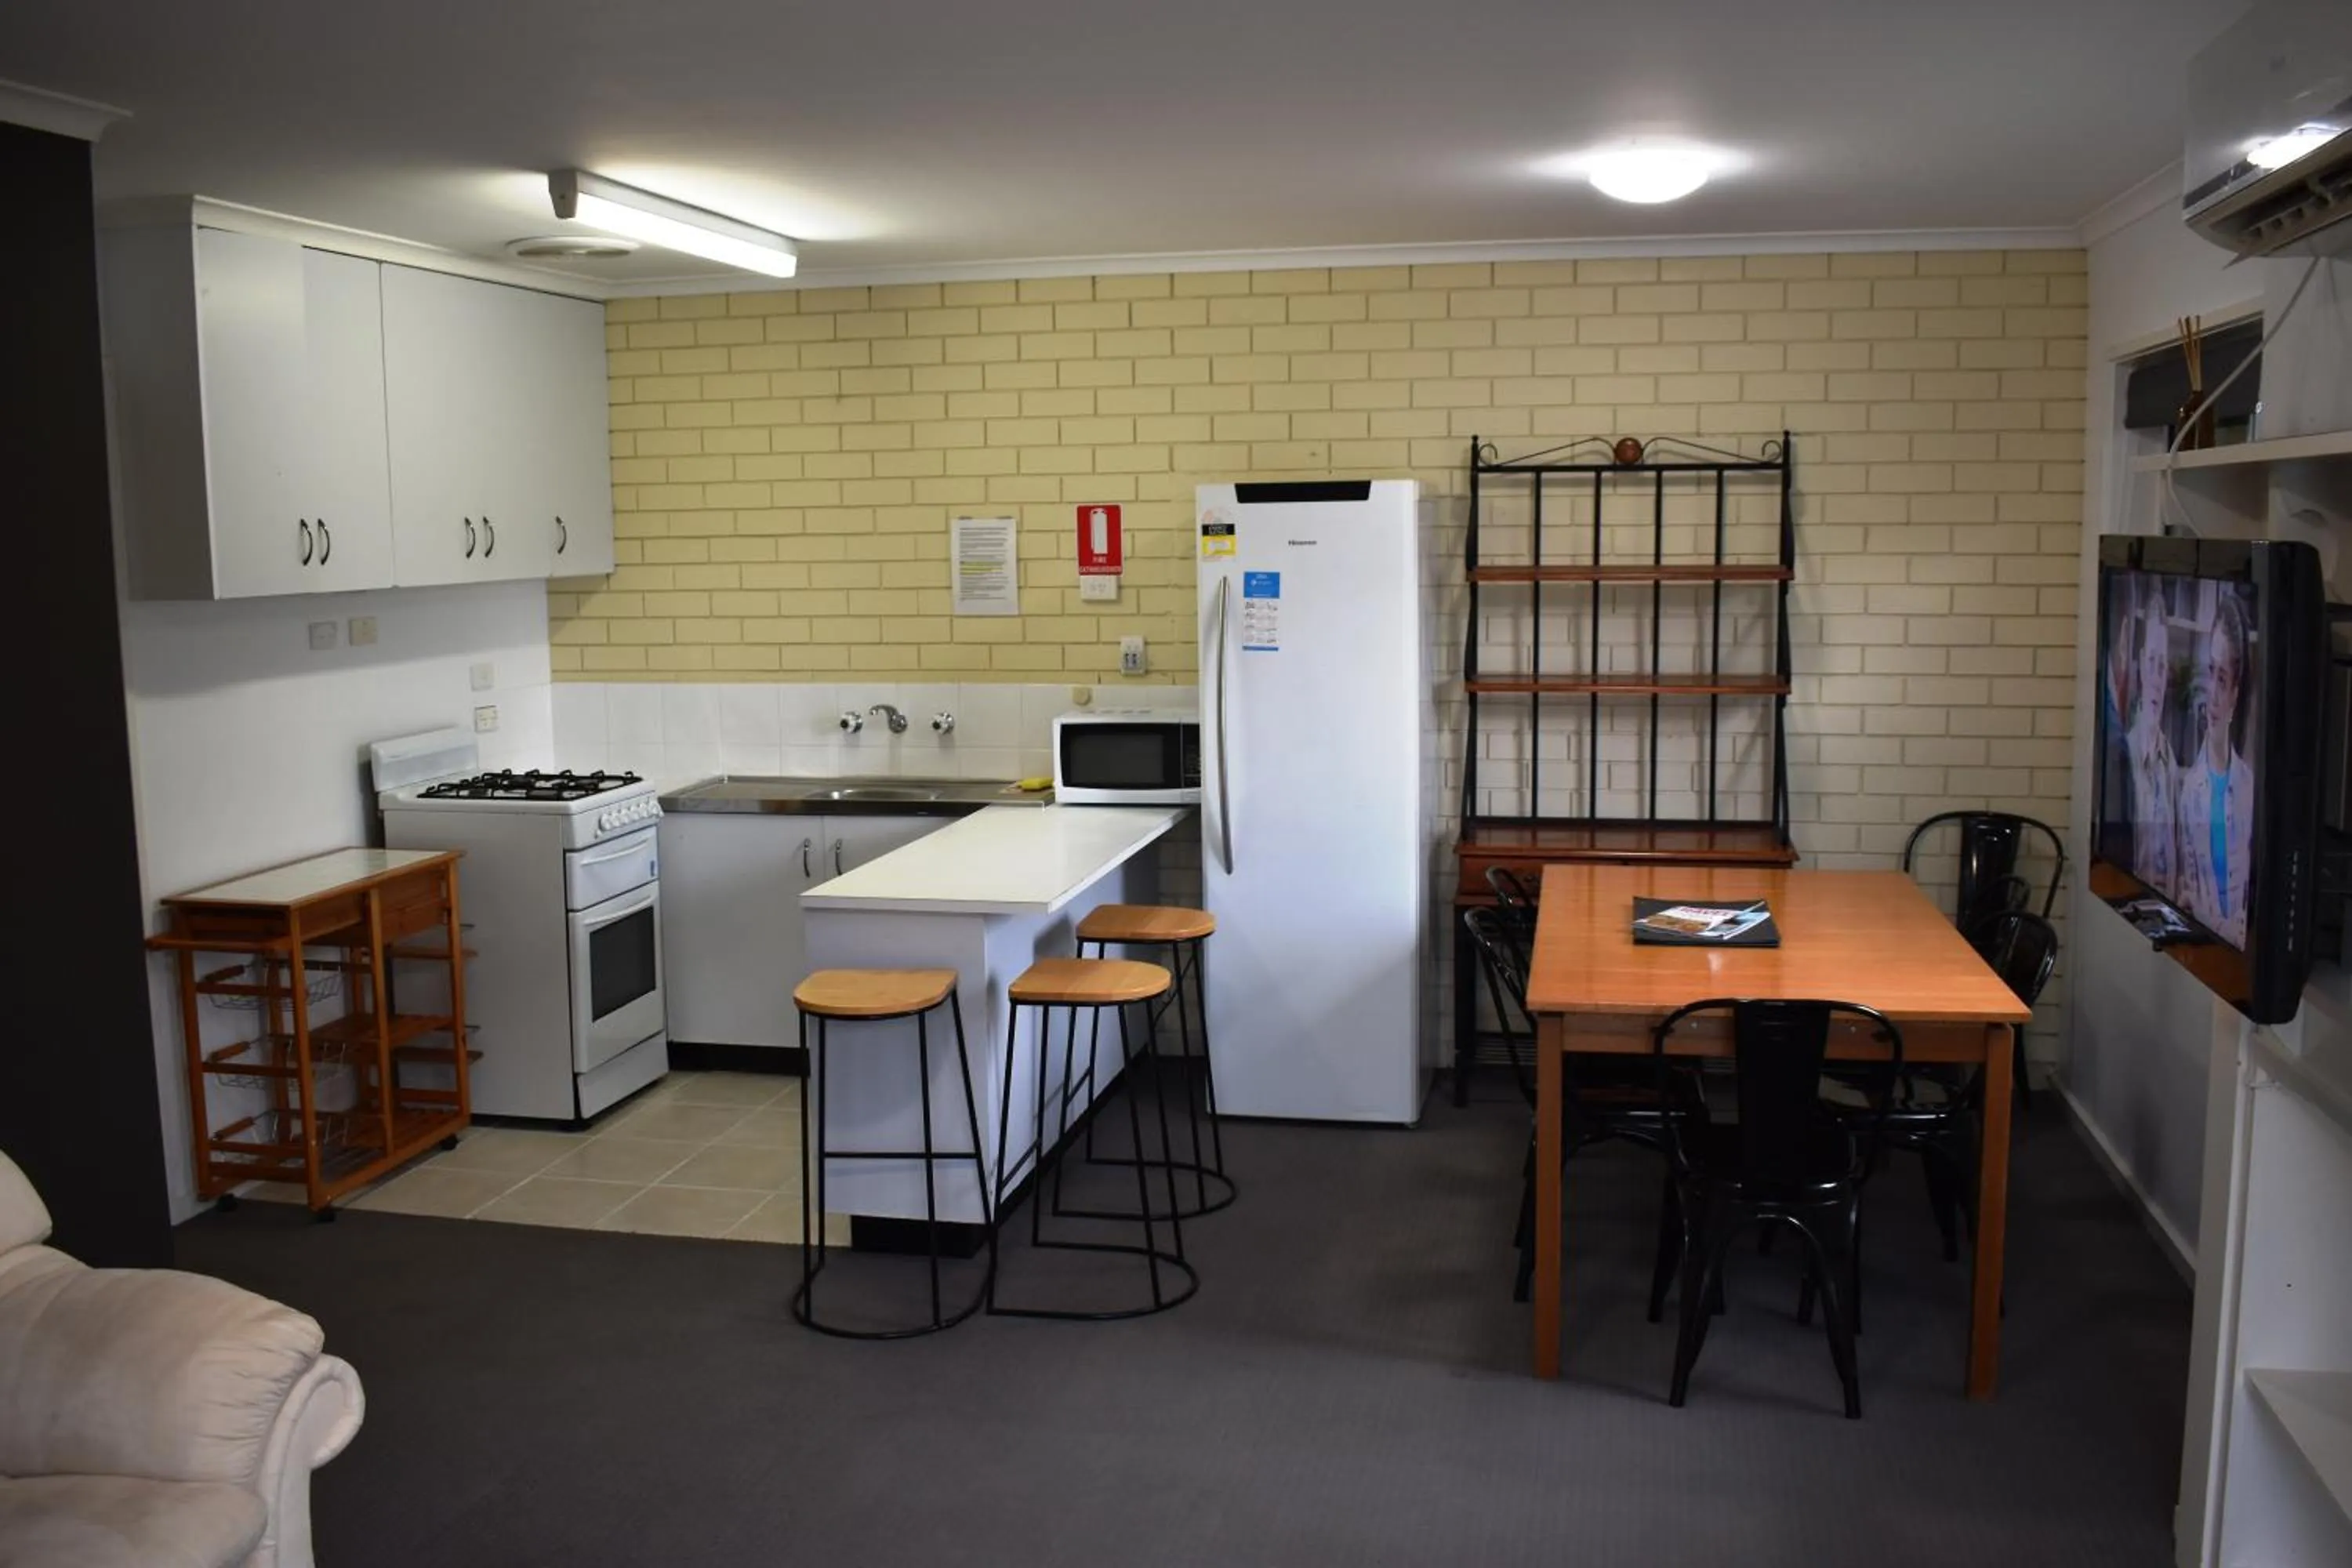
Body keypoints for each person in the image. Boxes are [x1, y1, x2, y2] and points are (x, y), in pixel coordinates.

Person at [2176, 591, 2256, 947]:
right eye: (2210, 672)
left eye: (2222, 679)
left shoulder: (2251, 789)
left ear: (2237, 692)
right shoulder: (2189, 791)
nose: (2211, 693)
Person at [2125, 593, 2180, 898]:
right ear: (2141, 667)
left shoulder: (2168, 759)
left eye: (2163, 666)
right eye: (2152, 663)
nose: (2158, 677)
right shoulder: (2126, 753)